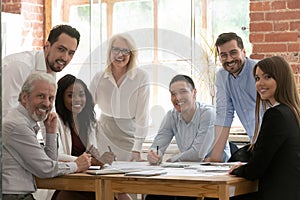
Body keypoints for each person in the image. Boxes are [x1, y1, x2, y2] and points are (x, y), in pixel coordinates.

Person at [2, 72, 91, 200]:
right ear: (24, 98)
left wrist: (50, 132)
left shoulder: (25, 122)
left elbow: (49, 161)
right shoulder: (18, 125)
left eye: (50, 98)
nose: (47, 103)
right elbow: (45, 169)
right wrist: (77, 165)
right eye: (41, 96)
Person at [145, 74, 230, 200]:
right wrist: (154, 154)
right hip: (188, 172)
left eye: (183, 91)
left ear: (194, 93)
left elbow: (198, 154)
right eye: (173, 94)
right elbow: (158, 145)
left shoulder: (209, 114)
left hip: (214, 176)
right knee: (154, 195)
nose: (178, 97)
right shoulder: (171, 116)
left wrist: (171, 160)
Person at [229, 56, 300, 200]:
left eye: (267, 77)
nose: (260, 83)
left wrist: (239, 170)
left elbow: (256, 168)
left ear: (281, 79)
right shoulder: (292, 112)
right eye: (257, 78)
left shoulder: (276, 115)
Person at [90, 33, 150, 161]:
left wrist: (137, 149)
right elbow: (86, 111)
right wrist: (91, 141)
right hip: (103, 137)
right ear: (109, 51)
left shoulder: (141, 77)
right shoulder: (99, 77)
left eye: (125, 51)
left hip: (129, 138)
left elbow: (142, 117)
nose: (120, 54)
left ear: (131, 54)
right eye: (116, 49)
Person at [2, 24, 80, 117]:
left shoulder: (51, 71)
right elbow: (7, 114)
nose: (65, 57)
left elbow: (47, 114)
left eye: (71, 53)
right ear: (47, 46)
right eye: (61, 49)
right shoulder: (20, 66)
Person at [205, 32, 258, 162]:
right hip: (255, 143)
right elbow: (224, 114)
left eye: (233, 53)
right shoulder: (222, 76)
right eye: (223, 55)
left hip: (276, 140)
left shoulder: (258, 71)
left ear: (244, 52)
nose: (229, 59)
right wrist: (215, 157)